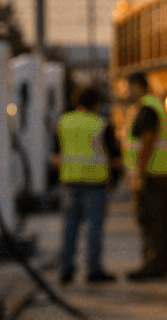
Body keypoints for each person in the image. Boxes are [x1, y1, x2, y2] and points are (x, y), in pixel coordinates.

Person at [52, 86, 121, 284]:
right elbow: (114, 158)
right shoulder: (101, 124)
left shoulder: (63, 122)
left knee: (70, 225)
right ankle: (94, 269)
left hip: (70, 181)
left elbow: (55, 156)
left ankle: (66, 269)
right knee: (94, 227)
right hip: (96, 182)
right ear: (96, 104)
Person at [125, 71, 167, 280]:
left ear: (138, 86)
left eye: (128, 87)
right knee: (163, 220)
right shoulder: (155, 106)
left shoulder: (146, 109)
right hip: (162, 172)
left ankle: (154, 263)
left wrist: (139, 172)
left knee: (150, 220)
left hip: (152, 174)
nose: (126, 92)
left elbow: (148, 140)